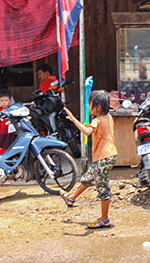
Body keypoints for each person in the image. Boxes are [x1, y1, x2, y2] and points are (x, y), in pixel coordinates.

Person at [59, 90, 117, 229]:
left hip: (103, 157)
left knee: (103, 188)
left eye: (90, 104)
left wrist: (74, 120)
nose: (88, 106)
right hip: (109, 155)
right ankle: (71, 198)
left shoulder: (97, 120)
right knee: (88, 178)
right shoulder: (108, 117)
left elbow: (86, 132)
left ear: (97, 107)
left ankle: (104, 219)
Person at [0, 90, 16, 155]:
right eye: (2, 101)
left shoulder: (11, 110)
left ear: (10, 101)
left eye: (6, 100)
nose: (4, 103)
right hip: (1, 132)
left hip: (10, 132)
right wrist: (2, 112)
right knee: (1, 144)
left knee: (10, 143)